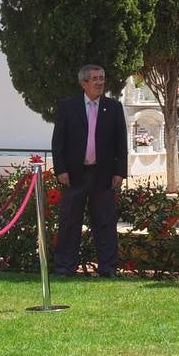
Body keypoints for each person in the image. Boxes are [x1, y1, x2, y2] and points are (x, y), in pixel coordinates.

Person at [51, 65, 127, 277]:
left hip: (103, 176)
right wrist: (61, 170)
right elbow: (58, 142)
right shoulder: (68, 106)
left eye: (102, 78)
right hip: (74, 176)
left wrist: (120, 172)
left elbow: (121, 144)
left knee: (105, 223)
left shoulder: (113, 107)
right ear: (84, 83)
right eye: (94, 79)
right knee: (69, 223)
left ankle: (108, 269)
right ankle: (65, 268)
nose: (99, 82)